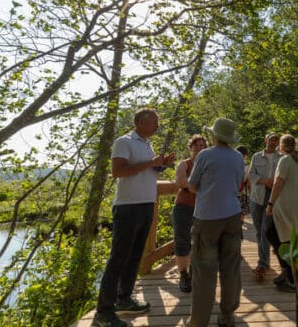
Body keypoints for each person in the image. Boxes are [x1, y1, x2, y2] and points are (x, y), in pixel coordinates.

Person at [92, 108, 176, 327]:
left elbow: (147, 172)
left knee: (134, 256)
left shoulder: (147, 144)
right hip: (127, 207)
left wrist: (161, 164)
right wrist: (150, 163)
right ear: (140, 122)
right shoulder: (124, 141)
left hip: (146, 204)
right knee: (117, 259)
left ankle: (123, 299)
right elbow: (118, 171)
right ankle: (103, 313)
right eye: (154, 122)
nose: (158, 126)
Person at [187, 118, 244, 327]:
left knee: (204, 271)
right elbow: (238, 185)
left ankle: (199, 321)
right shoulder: (238, 157)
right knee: (231, 267)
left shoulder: (205, 155)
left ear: (214, 136)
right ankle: (227, 316)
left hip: (207, 218)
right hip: (232, 216)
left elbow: (192, 186)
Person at [264, 134, 298, 292]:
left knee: (271, 233)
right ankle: (288, 273)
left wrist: (270, 203)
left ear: (282, 146)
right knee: (285, 237)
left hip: (285, 205)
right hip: (296, 205)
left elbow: (278, 183)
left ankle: (289, 276)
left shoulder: (285, 160)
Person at [172, 134, 207, 293]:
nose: (199, 148)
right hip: (184, 207)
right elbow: (181, 182)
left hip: (203, 208)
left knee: (200, 241)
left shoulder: (208, 164)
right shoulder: (185, 164)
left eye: (202, 145)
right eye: (197, 145)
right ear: (191, 147)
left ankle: (194, 271)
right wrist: (201, 189)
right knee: (182, 240)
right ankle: (183, 275)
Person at [248, 132, 281, 280]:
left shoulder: (281, 157)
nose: (273, 142)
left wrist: (273, 182)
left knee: (265, 230)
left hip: (272, 197)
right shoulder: (256, 157)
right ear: (265, 140)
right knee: (258, 230)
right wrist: (264, 180)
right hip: (256, 197)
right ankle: (265, 261)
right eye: (271, 139)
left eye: (276, 140)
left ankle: (262, 263)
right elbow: (251, 175)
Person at [235, 145, 251, 221]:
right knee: (242, 213)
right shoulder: (247, 167)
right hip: (243, 193)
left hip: (233, 193)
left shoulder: (231, 165)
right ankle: (241, 223)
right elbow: (249, 183)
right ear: (246, 156)